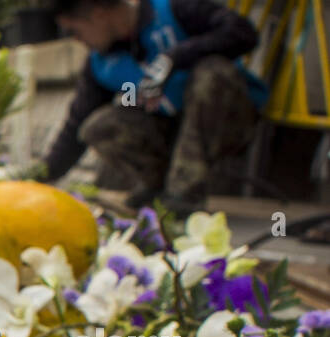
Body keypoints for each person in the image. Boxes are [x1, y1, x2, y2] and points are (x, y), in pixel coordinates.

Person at [42, 0, 268, 213]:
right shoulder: (100, 63)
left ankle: (183, 195)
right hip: (171, 131)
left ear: (98, 14)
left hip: (229, 122)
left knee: (212, 73)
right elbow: (76, 125)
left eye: (75, 31)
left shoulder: (171, 10)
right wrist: (41, 175)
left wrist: (177, 56)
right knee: (99, 126)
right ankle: (158, 186)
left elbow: (243, 32)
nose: (77, 41)